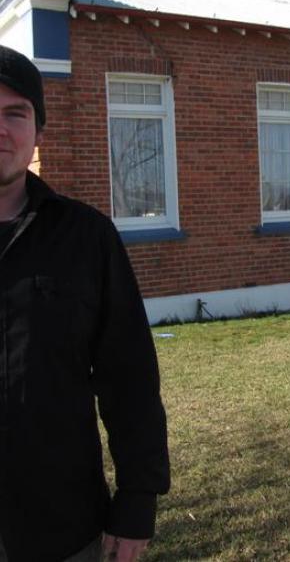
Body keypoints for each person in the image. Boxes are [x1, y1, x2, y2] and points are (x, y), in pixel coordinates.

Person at [0, 45, 170, 562]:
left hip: (60, 527)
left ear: (38, 136)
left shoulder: (87, 238)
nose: (0, 128)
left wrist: (138, 501)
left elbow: (130, 377)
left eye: (15, 113)